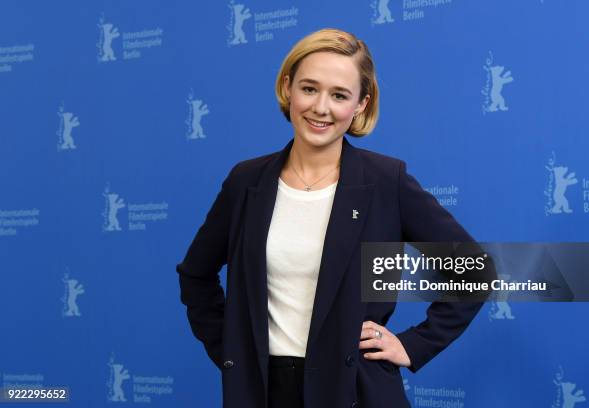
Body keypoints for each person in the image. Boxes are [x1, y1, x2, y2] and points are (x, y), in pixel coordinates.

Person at [177, 28, 487, 408]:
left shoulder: (386, 182)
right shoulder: (246, 181)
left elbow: (474, 270)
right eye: (309, 89)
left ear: (360, 104)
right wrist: (231, 347)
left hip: (354, 391)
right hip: (262, 391)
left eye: (339, 95)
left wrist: (412, 345)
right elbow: (196, 274)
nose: (320, 108)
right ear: (288, 87)